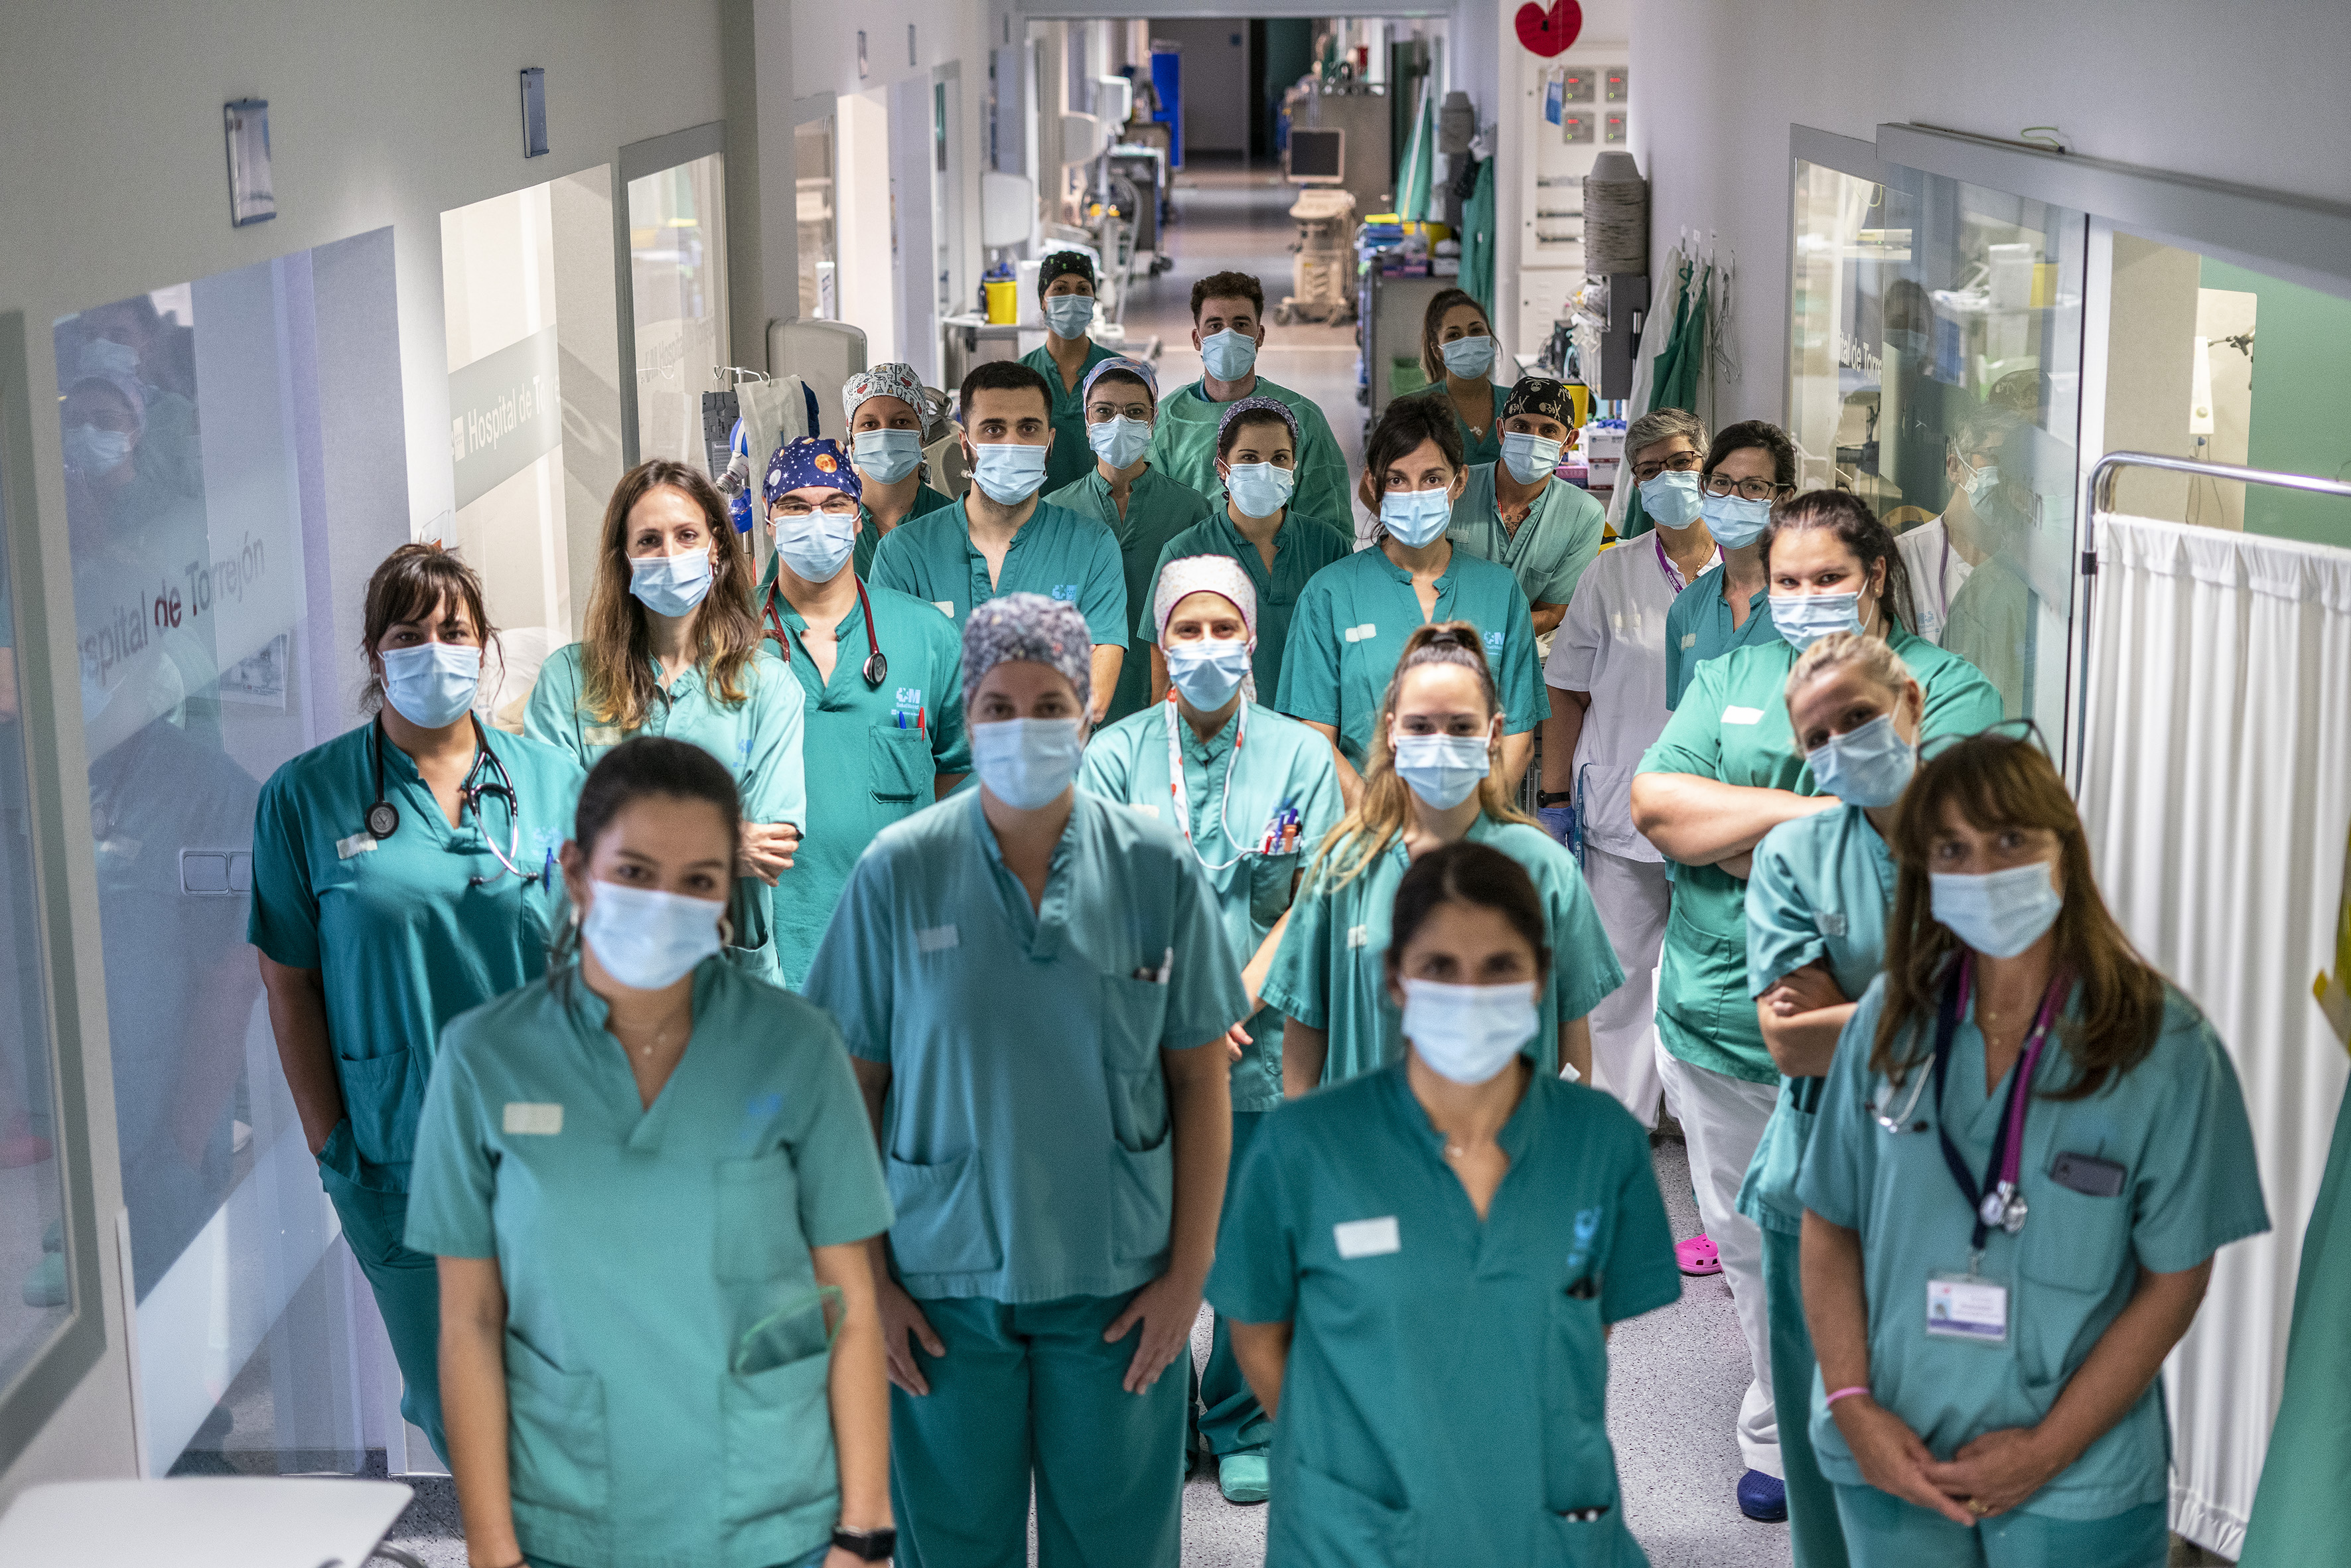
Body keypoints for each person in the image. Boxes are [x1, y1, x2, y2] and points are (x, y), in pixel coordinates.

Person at [802, 593, 1248, 1568]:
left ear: (1087, 711)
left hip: (1117, 1273)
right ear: (966, 716)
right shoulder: (899, 869)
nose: (1022, 726)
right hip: (940, 1279)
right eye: (997, 707)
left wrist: (1188, 1276)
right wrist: (868, 1283)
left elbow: (1199, 1082)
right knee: (954, 1544)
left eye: (1048, 705)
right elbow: (848, 1091)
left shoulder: (1154, 866)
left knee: (1118, 1545)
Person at [409, 738, 897, 1568]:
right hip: (570, 1516)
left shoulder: (796, 1048)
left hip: (772, 1515)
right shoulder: (485, 1058)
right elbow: (469, 1322)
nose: (665, 903)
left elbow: (848, 1300)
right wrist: (491, 1548)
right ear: (576, 872)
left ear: (726, 897)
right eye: (635, 872)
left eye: (698, 881)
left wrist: (866, 1530)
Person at [1800, 732, 2269, 1565]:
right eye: (1953, 849)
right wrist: (1851, 1404)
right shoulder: (1890, 1020)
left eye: (2011, 839)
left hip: (2076, 1475)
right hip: (1893, 1447)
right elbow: (1830, 1220)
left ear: (2065, 848)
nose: (1982, 870)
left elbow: (2175, 1279)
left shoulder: (2163, 1047)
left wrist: (2048, 1450)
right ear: (1924, 870)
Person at [1632, 489, 2004, 1522]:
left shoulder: (1944, 686)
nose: (1802, 598)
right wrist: (1818, 818)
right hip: (1720, 1014)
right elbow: (1658, 804)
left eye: (1826, 577)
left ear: (1874, 575)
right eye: (1786, 580)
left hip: (1885, 1033)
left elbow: (1935, 833)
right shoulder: (1730, 674)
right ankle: (1777, 1426)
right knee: (1755, 1247)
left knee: (1885, 1244)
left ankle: (1880, 1430)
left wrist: (1744, 834)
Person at [1212, 841, 1681, 1565]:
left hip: (1549, 1510)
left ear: (1540, 977)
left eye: (1498, 967)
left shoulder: (1599, 1143)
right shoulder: (1306, 1146)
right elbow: (1256, 1331)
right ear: (1395, 979)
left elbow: (1588, 1327)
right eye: (1439, 967)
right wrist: (1345, 1454)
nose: (1469, 993)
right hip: (1357, 1525)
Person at [249, 543, 585, 1462]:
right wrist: (333, 1150)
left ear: (483, 646)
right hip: (397, 1156)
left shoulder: (554, 782)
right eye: (408, 634)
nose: (433, 649)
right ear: (374, 652)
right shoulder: (304, 797)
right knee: (458, 1407)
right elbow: (288, 985)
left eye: (453, 630)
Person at [1077, 556, 1346, 1507]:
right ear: (1159, 645)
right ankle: (1158, 1413)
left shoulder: (1299, 756)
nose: (1204, 648)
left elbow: (1316, 892)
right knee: (1145, 1241)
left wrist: (1234, 998)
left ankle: (1244, 1417)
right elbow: (1095, 898)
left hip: (1259, 1039)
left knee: (1249, 1240)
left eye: (1221, 628)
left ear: (1250, 638)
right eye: (1185, 631)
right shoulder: (1113, 756)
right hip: (1146, 1035)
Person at [1737, 630, 1930, 1568]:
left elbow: (2034, 1011)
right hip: (1815, 1178)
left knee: (1938, 1434)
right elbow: (1790, 1042)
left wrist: (1846, 1009)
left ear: (1911, 706)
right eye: (1817, 737)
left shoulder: (1986, 841)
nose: (1841, 744)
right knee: (1823, 1444)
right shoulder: (1794, 853)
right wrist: (1943, 997)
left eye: (1858, 717)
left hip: (1953, 1184)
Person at [1267, 622, 1619, 1092]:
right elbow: (1306, 1031)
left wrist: (1562, 1131)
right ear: (1392, 732)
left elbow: (1571, 1028)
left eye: (1460, 727)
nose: (1440, 742)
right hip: (1368, 1133)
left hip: (1511, 1134)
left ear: (1494, 734)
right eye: (1420, 726)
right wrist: (1305, 1134)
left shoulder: (1544, 870)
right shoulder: (1344, 867)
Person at [526, 459, 806, 982]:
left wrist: (619, 848)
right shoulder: (567, 681)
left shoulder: (768, 685)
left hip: (729, 976)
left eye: (686, 535)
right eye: (649, 541)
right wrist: (724, 842)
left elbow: (770, 849)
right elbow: (549, 839)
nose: (670, 554)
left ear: (715, 547)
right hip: (603, 972)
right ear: (625, 559)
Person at [1539, 407, 1720, 1125]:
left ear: (1706, 464)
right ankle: (1621, 1119)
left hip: (1721, 807)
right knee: (1619, 973)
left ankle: (1699, 1117)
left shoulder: (1754, 569)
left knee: (1708, 972)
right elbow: (1565, 689)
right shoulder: (1610, 573)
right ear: (1635, 486)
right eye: (1648, 471)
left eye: (1680, 463)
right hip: (1622, 796)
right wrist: (1555, 797)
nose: (1667, 480)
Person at [754, 437, 969, 987]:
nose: (816, 519)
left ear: (857, 519)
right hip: (773, 946)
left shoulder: (926, 635)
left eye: (834, 504)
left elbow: (958, 773)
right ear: (769, 521)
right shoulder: (726, 638)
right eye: (795, 505)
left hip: (895, 941)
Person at [1279, 396, 1547, 804]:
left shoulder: (1499, 592)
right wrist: (1382, 823)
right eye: (1397, 480)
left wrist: (1471, 820)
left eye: (1432, 479)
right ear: (1373, 485)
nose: (1415, 494)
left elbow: (1517, 734)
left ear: (1460, 481)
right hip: (1365, 824)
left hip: (1475, 825)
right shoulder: (1330, 593)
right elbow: (1315, 738)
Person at [870, 360, 1129, 725]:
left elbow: (1095, 698)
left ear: (1050, 442)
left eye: (1028, 428)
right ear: (965, 444)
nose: (1011, 444)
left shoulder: (1091, 547)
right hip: (938, 764)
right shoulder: (904, 553)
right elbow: (893, 687)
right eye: (993, 429)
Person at [1133, 397, 1350, 712]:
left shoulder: (1328, 548)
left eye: (1279, 458)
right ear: (1222, 466)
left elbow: (1347, 658)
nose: (1265, 471)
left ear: (1294, 466)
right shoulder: (1185, 554)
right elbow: (1164, 681)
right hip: (1221, 731)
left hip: (1313, 730)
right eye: (1249, 458)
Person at [1043, 356, 1216, 723]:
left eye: (1135, 412)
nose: (1119, 423)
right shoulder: (1056, 512)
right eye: (1104, 411)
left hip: (1167, 699)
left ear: (1153, 419)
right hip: (1077, 703)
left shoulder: (1189, 510)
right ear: (1087, 420)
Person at [1145, 271, 1352, 533]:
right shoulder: (1167, 421)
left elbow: (1330, 527)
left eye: (1241, 325)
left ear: (1260, 336)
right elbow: (1156, 518)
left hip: (1285, 556)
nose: (1228, 336)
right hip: (1194, 557)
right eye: (1215, 326)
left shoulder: (1303, 418)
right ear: (1197, 339)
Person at [1446, 375, 1608, 642]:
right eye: (1521, 426)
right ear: (1501, 431)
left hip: (1520, 645)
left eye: (1548, 430)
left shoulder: (1583, 514)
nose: (1533, 440)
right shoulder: (1455, 490)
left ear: (1568, 441)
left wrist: (1485, 637)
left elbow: (1552, 612)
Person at [1662, 420, 1800, 711]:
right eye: (1721, 482)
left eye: (1754, 486)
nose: (1732, 498)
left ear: (1784, 499)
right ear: (1704, 486)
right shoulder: (1689, 606)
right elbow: (1683, 720)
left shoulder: (1812, 603)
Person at [1895, 403, 2023, 646]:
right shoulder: (1904, 557)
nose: (2004, 473)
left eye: (2011, 462)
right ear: (1954, 467)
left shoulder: (2020, 562)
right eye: (1993, 457)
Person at [842, 362, 958, 581]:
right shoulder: (826, 526)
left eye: (901, 422)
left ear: (923, 435)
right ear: (853, 441)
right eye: (870, 424)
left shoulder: (955, 525)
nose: (885, 435)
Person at [1024, 249, 1121, 495]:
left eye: (1082, 289)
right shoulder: (1021, 376)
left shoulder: (1117, 371)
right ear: (1043, 300)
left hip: (1103, 503)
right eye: (1060, 289)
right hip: (1039, 504)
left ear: (1093, 299)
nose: (1072, 298)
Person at [1403, 287, 1510, 470]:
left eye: (1476, 330)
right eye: (1454, 335)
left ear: (1489, 337)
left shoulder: (1517, 404)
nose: (1467, 341)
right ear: (1437, 350)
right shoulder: (1411, 410)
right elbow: (1374, 481)